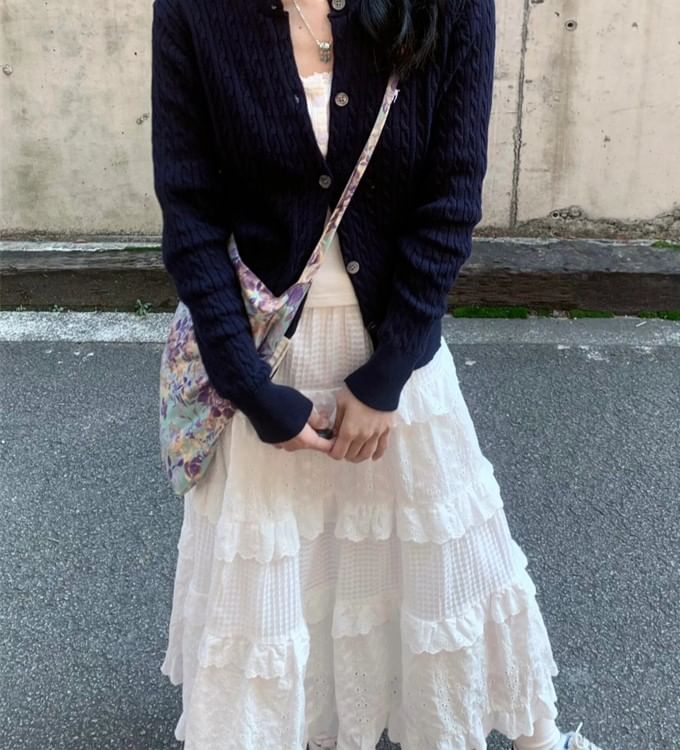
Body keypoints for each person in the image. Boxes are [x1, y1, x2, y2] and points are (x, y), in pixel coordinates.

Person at [150, 0, 604, 748]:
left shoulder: (450, 8)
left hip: (396, 351)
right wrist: (249, 389)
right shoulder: (195, 11)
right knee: (281, 587)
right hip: (268, 357)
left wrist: (389, 374)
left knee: (447, 565)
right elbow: (189, 213)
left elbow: (451, 198)